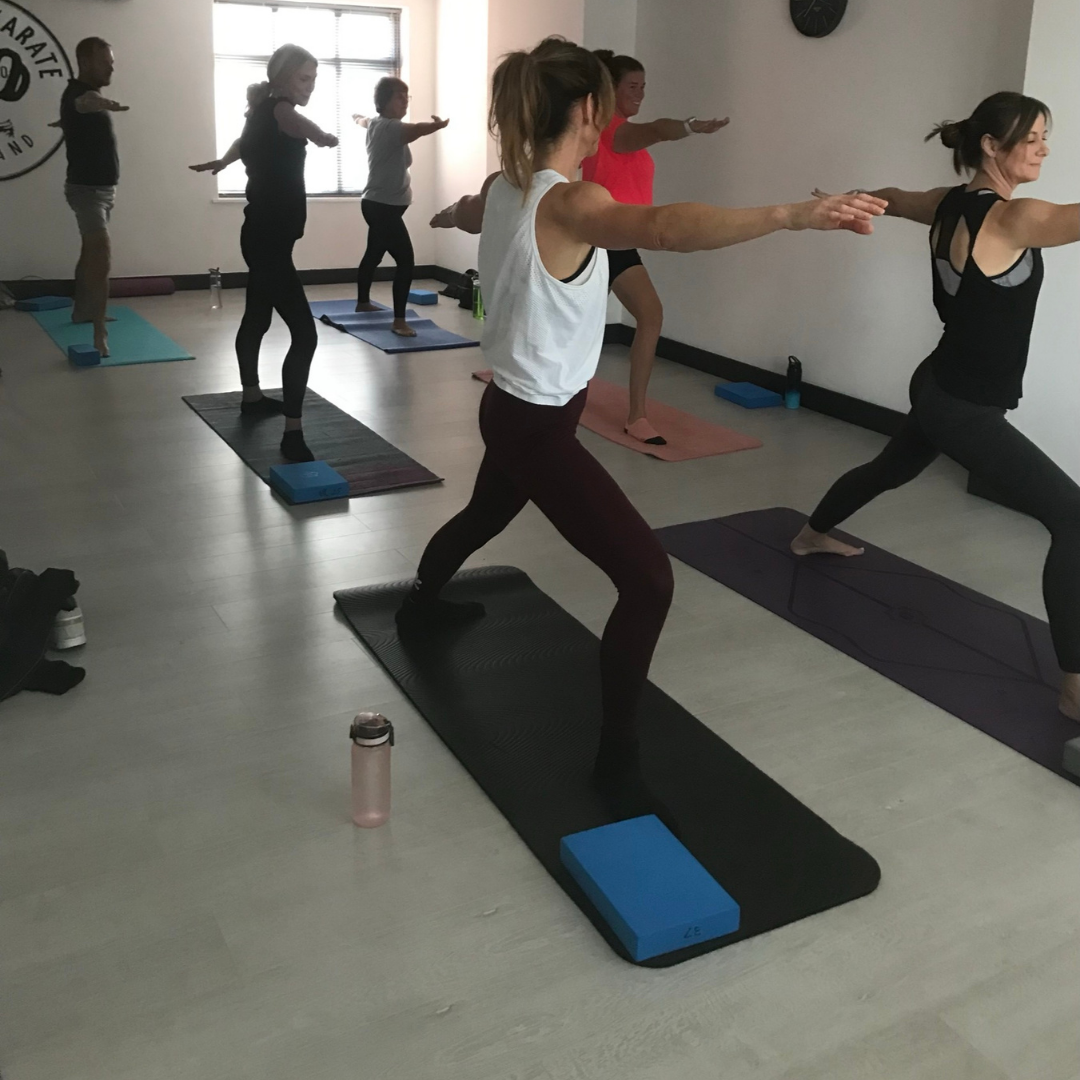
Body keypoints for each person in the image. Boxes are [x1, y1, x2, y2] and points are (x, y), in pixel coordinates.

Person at [413, 36, 885, 819]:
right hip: (535, 423)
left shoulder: (506, 186)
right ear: (590, 109)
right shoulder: (571, 201)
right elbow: (667, 226)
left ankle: (421, 602)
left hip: (513, 408)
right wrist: (789, 215)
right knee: (649, 580)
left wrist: (445, 212)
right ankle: (616, 756)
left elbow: (467, 211)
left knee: (483, 514)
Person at [791, 91, 1080, 721]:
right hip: (963, 405)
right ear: (991, 146)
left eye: (1044, 138)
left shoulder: (950, 203)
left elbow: (895, 198)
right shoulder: (1015, 217)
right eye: (1032, 138)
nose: (1044, 149)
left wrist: (852, 198)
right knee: (1075, 518)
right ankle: (1076, 688)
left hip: (940, 383)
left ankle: (810, 536)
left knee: (890, 469)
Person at [190, 45, 338, 462]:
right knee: (305, 336)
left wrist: (222, 162)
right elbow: (297, 122)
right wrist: (322, 136)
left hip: (262, 235)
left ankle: (252, 398)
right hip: (270, 241)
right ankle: (292, 435)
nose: (310, 87)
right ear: (283, 78)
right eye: (304, 79)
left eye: (314, 79)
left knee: (257, 316)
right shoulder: (279, 108)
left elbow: (243, 142)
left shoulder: (259, 111)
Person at [581, 50, 729, 445]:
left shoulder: (624, 135)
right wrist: (689, 126)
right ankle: (556, 399)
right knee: (581, 328)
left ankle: (637, 416)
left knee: (650, 316)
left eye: (644, 87)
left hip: (621, 245)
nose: (640, 94)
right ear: (610, 90)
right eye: (632, 87)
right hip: (591, 243)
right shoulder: (610, 131)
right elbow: (656, 130)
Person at [351, 78, 449, 336]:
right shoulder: (392, 127)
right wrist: (437, 125)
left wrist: (357, 117)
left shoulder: (376, 124)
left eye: (408, 97)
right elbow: (417, 129)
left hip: (380, 205)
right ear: (384, 102)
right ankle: (399, 321)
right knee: (406, 261)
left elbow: (364, 121)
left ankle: (363, 303)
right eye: (399, 97)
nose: (405, 101)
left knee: (374, 253)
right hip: (382, 207)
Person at [58, 37, 128, 359]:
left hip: (104, 190)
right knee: (101, 250)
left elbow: (75, 116)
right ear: (86, 62)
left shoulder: (83, 96)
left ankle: (81, 311)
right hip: (86, 192)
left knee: (90, 252)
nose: (111, 66)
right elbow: (81, 103)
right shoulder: (77, 94)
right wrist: (100, 103)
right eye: (105, 61)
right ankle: (100, 331)